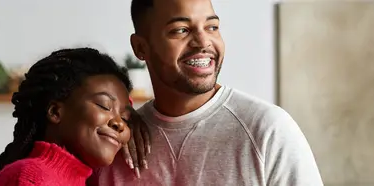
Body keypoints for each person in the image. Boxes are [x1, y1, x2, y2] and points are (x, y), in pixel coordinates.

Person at [90, 0, 324, 185]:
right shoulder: (117, 143)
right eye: (181, 30)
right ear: (141, 47)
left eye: (212, 27)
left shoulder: (268, 130)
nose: (203, 42)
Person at [0, 48, 149, 186]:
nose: (119, 123)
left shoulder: (78, 180)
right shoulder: (31, 177)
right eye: (104, 106)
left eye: (125, 118)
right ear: (55, 112)